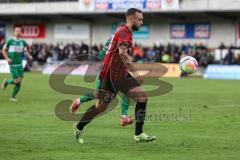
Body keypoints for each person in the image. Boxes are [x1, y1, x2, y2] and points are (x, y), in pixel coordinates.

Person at [72, 8, 156, 144]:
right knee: (101, 107)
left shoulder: (128, 34)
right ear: (131, 19)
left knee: (142, 98)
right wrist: (135, 73)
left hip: (121, 74)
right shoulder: (123, 32)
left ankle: (139, 133)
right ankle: (79, 126)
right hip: (110, 75)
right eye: (140, 19)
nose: (142, 22)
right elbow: (123, 54)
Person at [69, 38, 134, 127]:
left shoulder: (119, 41)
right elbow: (103, 57)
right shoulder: (116, 41)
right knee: (100, 99)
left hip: (115, 73)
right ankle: (79, 102)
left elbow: (103, 56)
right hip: (107, 74)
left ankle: (124, 117)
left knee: (126, 91)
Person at [1, 27, 32, 102]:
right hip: (13, 65)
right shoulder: (10, 41)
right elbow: (3, 50)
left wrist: (28, 55)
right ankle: (7, 82)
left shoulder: (23, 42)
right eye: (16, 31)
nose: (18, 32)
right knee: (16, 81)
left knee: (19, 82)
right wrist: (7, 58)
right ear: (14, 32)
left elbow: (25, 49)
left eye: (19, 31)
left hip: (20, 65)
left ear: (21, 33)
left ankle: (12, 97)